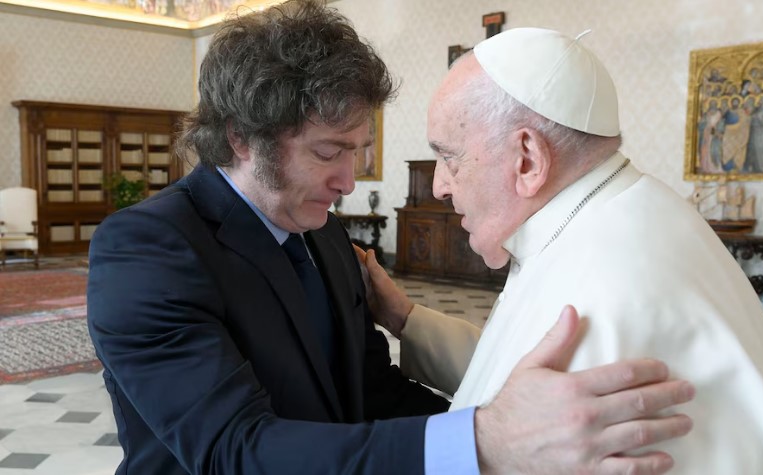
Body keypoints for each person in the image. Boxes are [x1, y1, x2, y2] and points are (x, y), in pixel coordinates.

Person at [86, 3, 695, 474]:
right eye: (329, 152)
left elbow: (373, 392)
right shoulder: (147, 249)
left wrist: (533, 443)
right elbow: (234, 452)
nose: (349, 181)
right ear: (242, 138)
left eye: (357, 152)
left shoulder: (324, 234)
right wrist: (483, 443)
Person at [358, 27, 763, 474]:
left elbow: (518, 439)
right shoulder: (623, 215)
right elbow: (518, 386)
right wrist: (406, 319)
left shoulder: (611, 287)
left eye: (449, 157)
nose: (439, 185)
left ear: (528, 159)